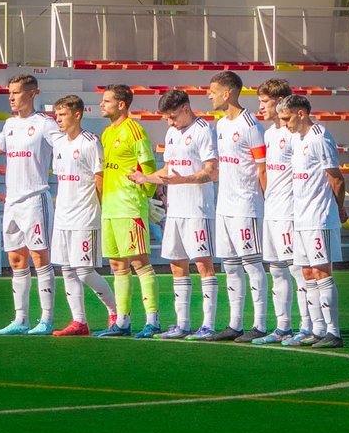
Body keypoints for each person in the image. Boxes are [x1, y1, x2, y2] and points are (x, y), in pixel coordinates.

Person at [130, 87, 220, 341]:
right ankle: (183, 324)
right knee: (176, 264)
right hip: (176, 210)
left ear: (185, 109)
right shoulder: (172, 133)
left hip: (198, 209)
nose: (169, 122)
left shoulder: (203, 130)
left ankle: (209, 325)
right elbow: (169, 170)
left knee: (203, 264)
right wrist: (147, 178)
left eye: (172, 117)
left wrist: (184, 181)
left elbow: (212, 171)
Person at [0, 73, 59, 335]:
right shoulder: (9, 124)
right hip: (12, 202)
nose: (11, 98)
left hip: (35, 199)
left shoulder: (45, 124)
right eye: (10, 93)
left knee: (40, 257)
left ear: (32, 93)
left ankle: (47, 319)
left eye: (16, 92)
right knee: (17, 260)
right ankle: (21, 319)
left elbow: (63, 146)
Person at [280, 95, 347, 349]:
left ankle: (333, 332)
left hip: (319, 217)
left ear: (301, 114)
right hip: (301, 218)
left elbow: (336, 178)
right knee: (307, 273)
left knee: (321, 272)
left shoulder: (320, 137)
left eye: (287, 118)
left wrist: (337, 208)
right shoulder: (297, 139)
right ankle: (317, 330)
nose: (285, 124)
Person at [206, 70, 268, 342]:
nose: (209, 96)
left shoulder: (251, 125)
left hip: (246, 205)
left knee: (252, 264)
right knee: (230, 266)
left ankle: (260, 324)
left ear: (227, 92)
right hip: (224, 206)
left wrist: (267, 201)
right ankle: (235, 324)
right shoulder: (220, 125)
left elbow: (262, 168)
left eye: (213, 91)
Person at [48, 95, 117, 337]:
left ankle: (115, 312)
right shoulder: (58, 143)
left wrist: (104, 209)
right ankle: (79, 322)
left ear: (77, 115)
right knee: (67, 270)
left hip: (85, 216)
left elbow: (100, 179)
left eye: (63, 114)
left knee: (85, 271)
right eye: (56, 115)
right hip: (63, 217)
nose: (58, 119)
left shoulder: (90, 143)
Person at [96, 83, 160, 339]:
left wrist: (147, 197)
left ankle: (153, 320)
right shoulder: (106, 133)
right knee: (116, 264)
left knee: (139, 261)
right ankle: (123, 321)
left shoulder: (134, 130)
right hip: (110, 208)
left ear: (121, 104)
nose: (102, 104)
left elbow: (148, 167)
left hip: (129, 206)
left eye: (106, 100)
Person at [253, 78, 309, 344]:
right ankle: (283, 327)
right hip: (272, 211)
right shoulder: (269, 134)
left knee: (297, 270)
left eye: (265, 101)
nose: (261, 107)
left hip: (290, 212)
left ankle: (307, 327)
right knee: (276, 270)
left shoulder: (294, 135)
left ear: (279, 101)